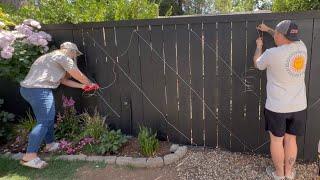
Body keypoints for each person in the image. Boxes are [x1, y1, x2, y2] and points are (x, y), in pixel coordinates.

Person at [19, 42, 99, 169]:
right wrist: (90, 83)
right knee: (45, 121)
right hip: (39, 90)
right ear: (70, 50)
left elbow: (63, 80)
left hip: (28, 90)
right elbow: (76, 74)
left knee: (47, 118)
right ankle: (29, 156)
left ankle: (50, 144)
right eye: (75, 53)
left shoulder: (48, 58)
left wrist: (82, 86)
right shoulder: (62, 57)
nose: (74, 56)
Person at [254, 20, 307, 180]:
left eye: (276, 33)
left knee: (277, 141)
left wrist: (258, 47)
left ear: (280, 35)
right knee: (291, 140)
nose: (274, 35)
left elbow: (257, 64)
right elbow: (282, 36)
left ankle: (279, 174)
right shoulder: (302, 47)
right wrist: (270, 30)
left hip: (277, 108)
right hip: (298, 106)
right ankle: (289, 174)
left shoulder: (271, 54)